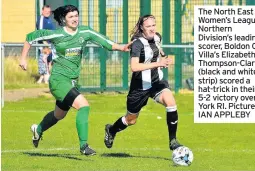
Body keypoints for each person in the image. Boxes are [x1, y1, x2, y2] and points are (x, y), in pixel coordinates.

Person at [19, 5, 131, 156]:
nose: (74, 19)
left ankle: (37, 130)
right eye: (71, 16)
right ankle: (84, 146)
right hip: (58, 80)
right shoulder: (56, 34)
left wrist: (122, 47)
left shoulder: (85, 32)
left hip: (72, 82)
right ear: (64, 19)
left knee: (59, 115)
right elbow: (30, 37)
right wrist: (23, 58)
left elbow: (105, 42)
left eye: (76, 15)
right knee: (84, 106)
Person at [104, 14, 183, 151]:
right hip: (140, 87)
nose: (152, 29)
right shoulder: (137, 44)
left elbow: (159, 50)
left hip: (157, 81)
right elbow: (134, 67)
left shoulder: (157, 37)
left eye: (154, 25)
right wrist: (158, 63)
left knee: (171, 102)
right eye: (148, 26)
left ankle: (173, 141)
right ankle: (112, 130)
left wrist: (165, 58)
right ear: (141, 27)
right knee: (131, 120)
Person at [36, 5, 55, 84]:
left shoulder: (48, 19)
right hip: (45, 45)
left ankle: (41, 79)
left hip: (51, 44)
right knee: (44, 61)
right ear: (42, 11)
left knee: (49, 61)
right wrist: (45, 44)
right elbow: (40, 33)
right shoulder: (41, 19)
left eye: (49, 11)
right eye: (46, 11)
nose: (48, 13)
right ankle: (46, 79)